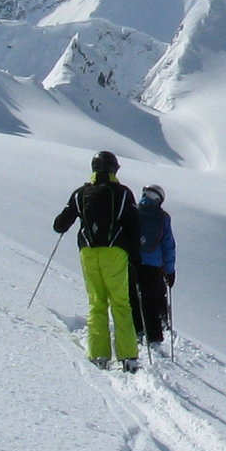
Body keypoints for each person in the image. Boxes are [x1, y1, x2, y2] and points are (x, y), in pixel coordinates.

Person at [52, 150, 140, 370]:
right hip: (115, 251)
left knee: (96, 303)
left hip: (88, 252)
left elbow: (60, 224)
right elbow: (134, 226)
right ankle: (127, 355)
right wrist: (136, 256)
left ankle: (98, 354)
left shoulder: (80, 193)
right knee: (120, 302)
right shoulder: (123, 193)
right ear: (113, 169)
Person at [133, 184, 177, 350]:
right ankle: (155, 336)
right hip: (153, 266)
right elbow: (168, 245)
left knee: (134, 298)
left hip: (133, 262)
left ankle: (137, 330)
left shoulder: (133, 211)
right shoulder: (163, 217)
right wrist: (170, 270)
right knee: (150, 300)